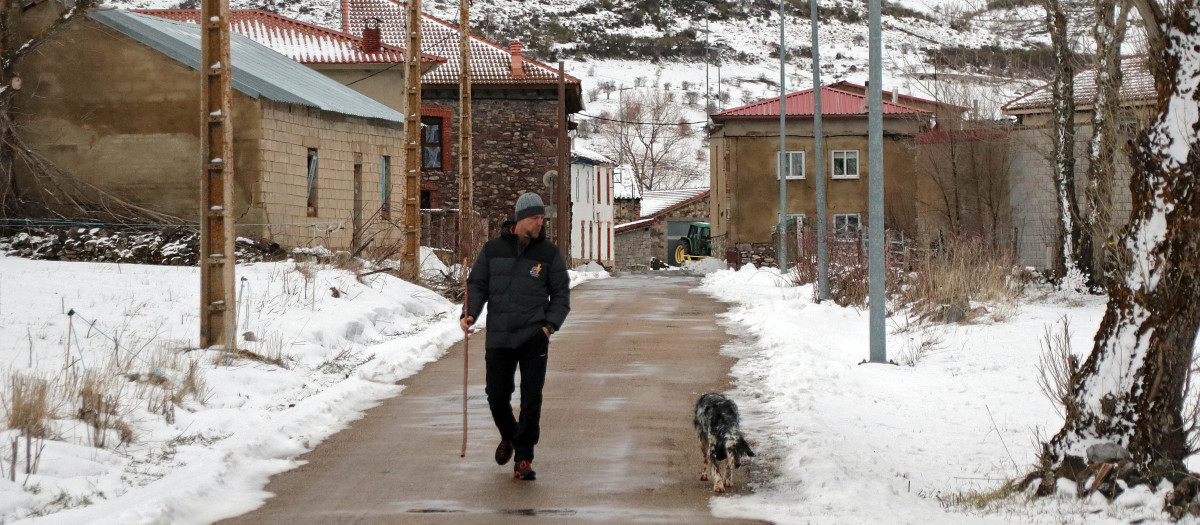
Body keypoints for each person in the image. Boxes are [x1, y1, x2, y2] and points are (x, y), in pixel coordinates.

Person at [460, 192, 570, 481]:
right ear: (521, 219)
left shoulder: (548, 254)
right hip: (499, 335)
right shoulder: (493, 249)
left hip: (534, 336)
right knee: (496, 396)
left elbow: (560, 295)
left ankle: (524, 459)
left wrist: (549, 327)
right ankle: (510, 436)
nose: (540, 223)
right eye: (536, 217)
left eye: (542, 218)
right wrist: (469, 313)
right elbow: (478, 284)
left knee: (532, 398)